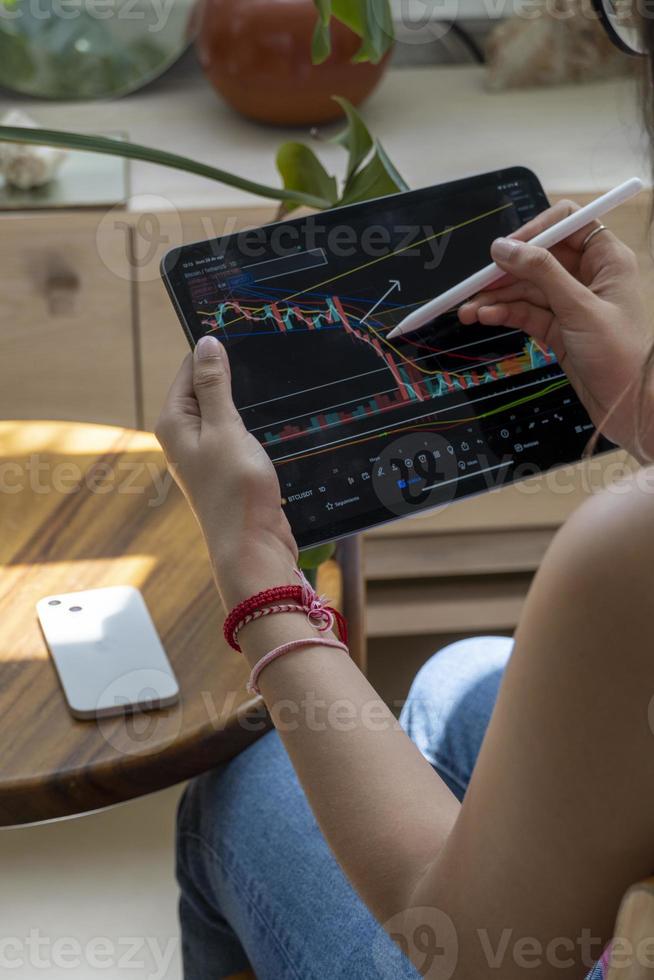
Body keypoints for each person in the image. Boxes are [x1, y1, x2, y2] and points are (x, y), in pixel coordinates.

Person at [156, 16, 654, 979]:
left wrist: (257, 569)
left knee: (244, 779)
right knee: (459, 676)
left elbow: (471, 950)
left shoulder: (627, 554)